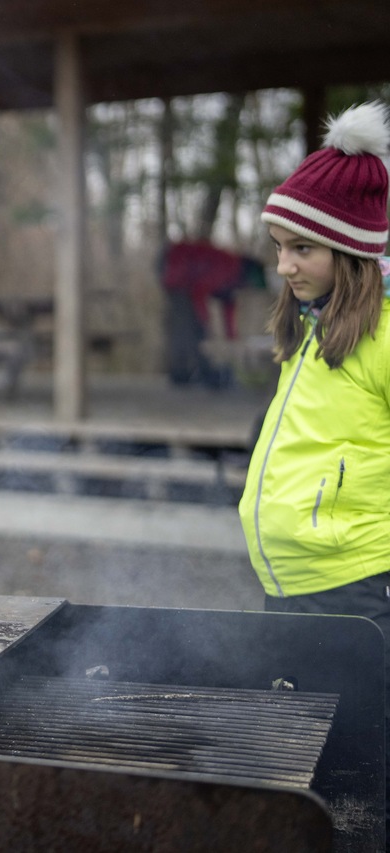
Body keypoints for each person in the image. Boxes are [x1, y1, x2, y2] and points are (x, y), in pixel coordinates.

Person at [238, 101, 390, 843]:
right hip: (289, 585)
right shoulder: (308, 326)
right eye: (278, 246)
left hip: (355, 587)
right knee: (309, 770)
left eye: (301, 248)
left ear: (350, 249)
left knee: (359, 773)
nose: (283, 265)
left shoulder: (385, 337)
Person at [160, 239, 266, 388]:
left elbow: (228, 304)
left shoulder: (234, 278)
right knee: (187, 327)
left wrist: (231, 336)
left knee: (196, 328)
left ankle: (198, 372)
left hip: (184, 277)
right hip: (176, 270)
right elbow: (199, 290)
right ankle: (182, 373)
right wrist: (204, 318)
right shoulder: (228, 268)